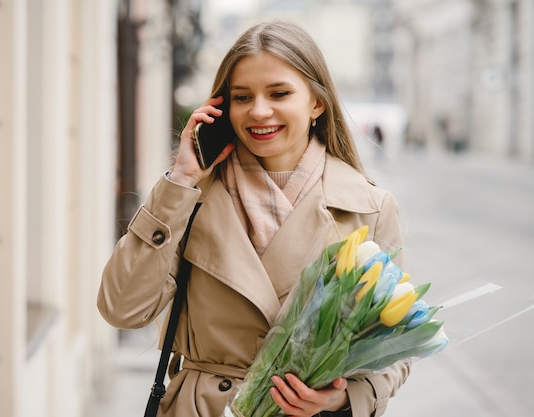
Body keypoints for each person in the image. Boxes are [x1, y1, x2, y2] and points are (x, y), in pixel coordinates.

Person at [98, 21, 409, 417]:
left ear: (317, 102)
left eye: (279, 93)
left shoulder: (369, 206)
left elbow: (393, 345)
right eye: (242, 96)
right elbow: (122, 309)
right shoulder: (190, 197)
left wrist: (345, 397)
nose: (259, 111)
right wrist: (180, 181)